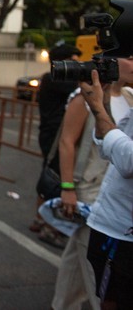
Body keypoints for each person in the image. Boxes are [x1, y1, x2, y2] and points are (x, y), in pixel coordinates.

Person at [50, 64, 133, 310]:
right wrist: (68, 187)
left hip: (113, 202)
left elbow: (125, 156)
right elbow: (67, 141)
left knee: (83, 260)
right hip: (89, 188)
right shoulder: (83, 98)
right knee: (83, 257)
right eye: (127, 56)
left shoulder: (129, 97)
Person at [80, 68, 133, 309]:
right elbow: (110, 142)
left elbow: (128, 160)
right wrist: (98, 106)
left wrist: (99, 109)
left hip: (123, 234)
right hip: (113, 225)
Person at [30, 44, 82, 243]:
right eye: (75, 60)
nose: (79, 65)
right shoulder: (54, 77)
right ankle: (50, 226)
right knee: (55, 178)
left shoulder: (52, 78)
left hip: (53, 134)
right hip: (55, 136)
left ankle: (39, 219)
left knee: (49, 176)